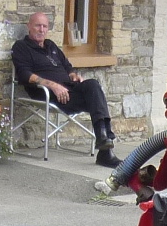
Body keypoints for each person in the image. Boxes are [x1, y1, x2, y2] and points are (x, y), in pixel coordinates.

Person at [11, 10, 118, 167]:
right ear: (29, 26)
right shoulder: (21, 47)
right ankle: (105, 151)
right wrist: (53, 86)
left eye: (44, 26)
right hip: (48, 94)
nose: (41, 30)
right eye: (37, 26)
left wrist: (74, 75)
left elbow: (68, 67)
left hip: (69, 90)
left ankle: (104, 140)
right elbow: (25, 74)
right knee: (95, 97)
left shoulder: (51, 46)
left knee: (93, 85)